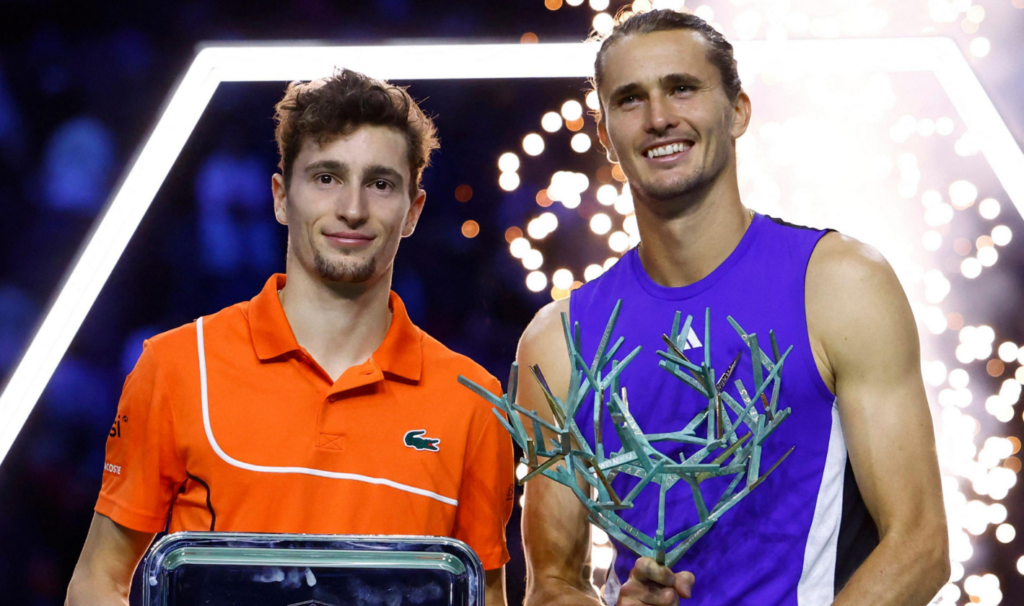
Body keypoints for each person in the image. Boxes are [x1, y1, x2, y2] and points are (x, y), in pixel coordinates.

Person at [517, 9, 948, 606]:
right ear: (606, 135)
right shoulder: (557, 340)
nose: (659, 117)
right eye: (630, 100)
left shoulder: (840, 283)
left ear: (738, 110)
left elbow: (920, 547)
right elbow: (553, 586)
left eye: (682, 88)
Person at [66, 70, 514, 605]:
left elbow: (483, 596)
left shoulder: (472, 400)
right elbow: (99, 581)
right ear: (281, 197)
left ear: (413, 210)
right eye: (326, 177)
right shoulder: (177, 366)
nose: (352, 208)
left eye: (380, 183)